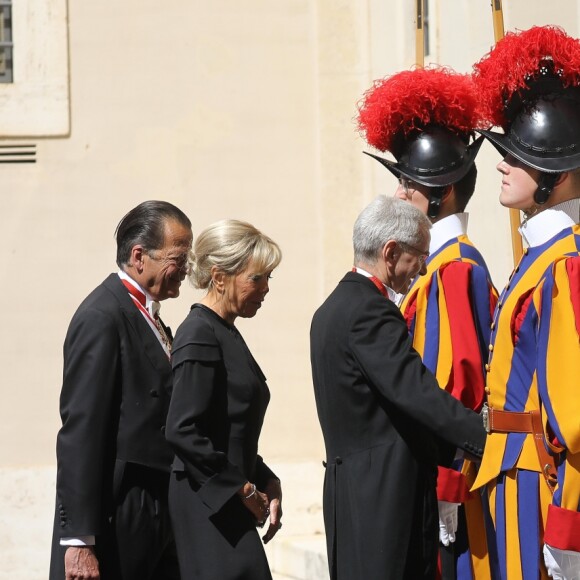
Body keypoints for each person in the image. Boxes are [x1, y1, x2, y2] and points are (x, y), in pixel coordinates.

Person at [357, 67, 498, 579]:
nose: (398, 193)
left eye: (408, 185)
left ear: (439, 195)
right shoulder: (439, 266)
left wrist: (445, 486)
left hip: (449, 479)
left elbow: (453, 383)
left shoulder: (453, 268)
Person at [310, 195, 487, 580]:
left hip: (356, 491)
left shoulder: (332, 308)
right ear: (390, 252)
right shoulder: (369, 310)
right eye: (419, 257)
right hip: (383, 496)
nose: (422, 271)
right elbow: (415, 392)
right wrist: (489, 438)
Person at [470, 25, 580, 579]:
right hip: (510, 469)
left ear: (555, 174)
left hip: (539, 480)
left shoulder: (562, 264)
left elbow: (576, 417)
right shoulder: (539, 258)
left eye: (516, 155)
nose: (500, 165)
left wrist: (566, 522)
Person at [49, 200, 193, 580]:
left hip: (155, 511)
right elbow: (81, 429)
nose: (186, 270)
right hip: (118, 510)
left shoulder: (150, 317)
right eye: (179, 258)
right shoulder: (102, 315)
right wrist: (79, 540)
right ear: (139, 256)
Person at [165, 219, 283, 580]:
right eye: (256, 278)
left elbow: (227, 428)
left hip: (227, 498)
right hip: (207, 505)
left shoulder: (224, 331)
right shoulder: (200, 334)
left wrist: (265, 478)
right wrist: (243, 488)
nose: (265, 289)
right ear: (220, 277)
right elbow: (183, 430)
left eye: (268, 279)